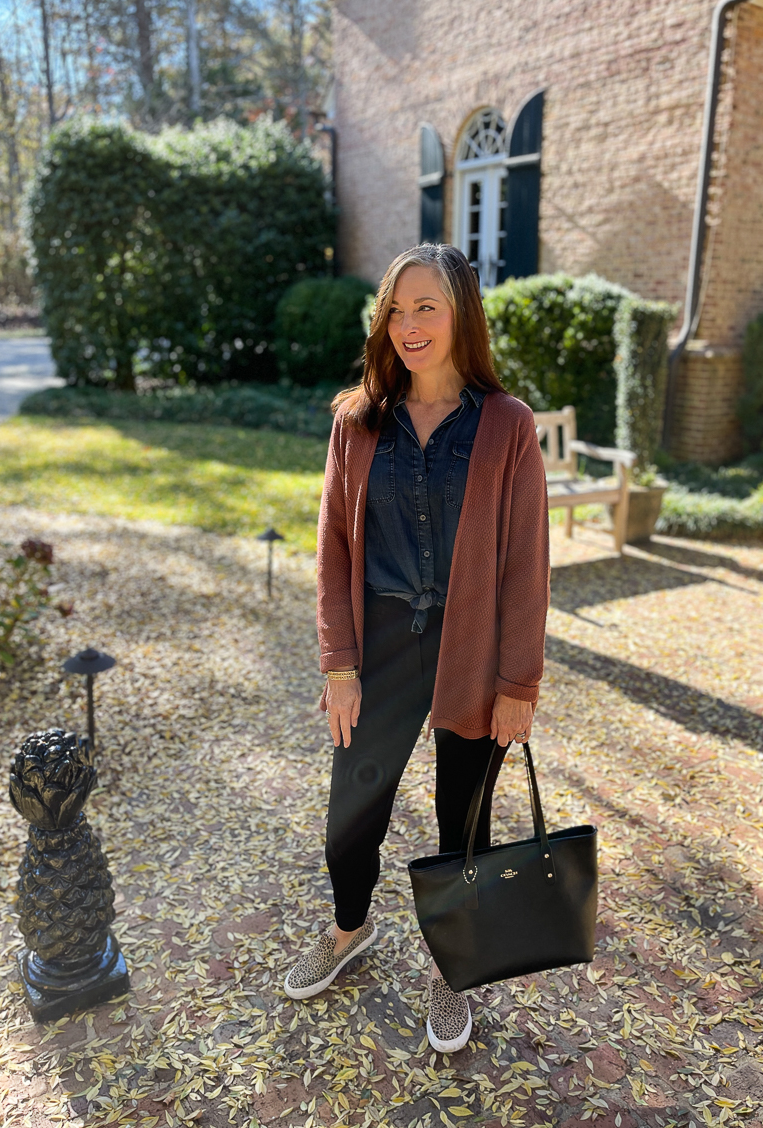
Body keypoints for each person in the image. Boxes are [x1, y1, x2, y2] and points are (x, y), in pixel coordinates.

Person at [284, 243, 550, 1053]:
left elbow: (524, 564)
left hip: (470, 647)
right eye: (396, 309)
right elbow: (332, 548)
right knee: (349, 813)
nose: (407, 325)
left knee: (458, 825)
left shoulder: (507, 426)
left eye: (426, 307)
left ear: (462, 313)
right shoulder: (357, 421)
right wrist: (338, 665)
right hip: (382, 646)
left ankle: (451, 968)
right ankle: (348, 930)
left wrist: (519, 684)